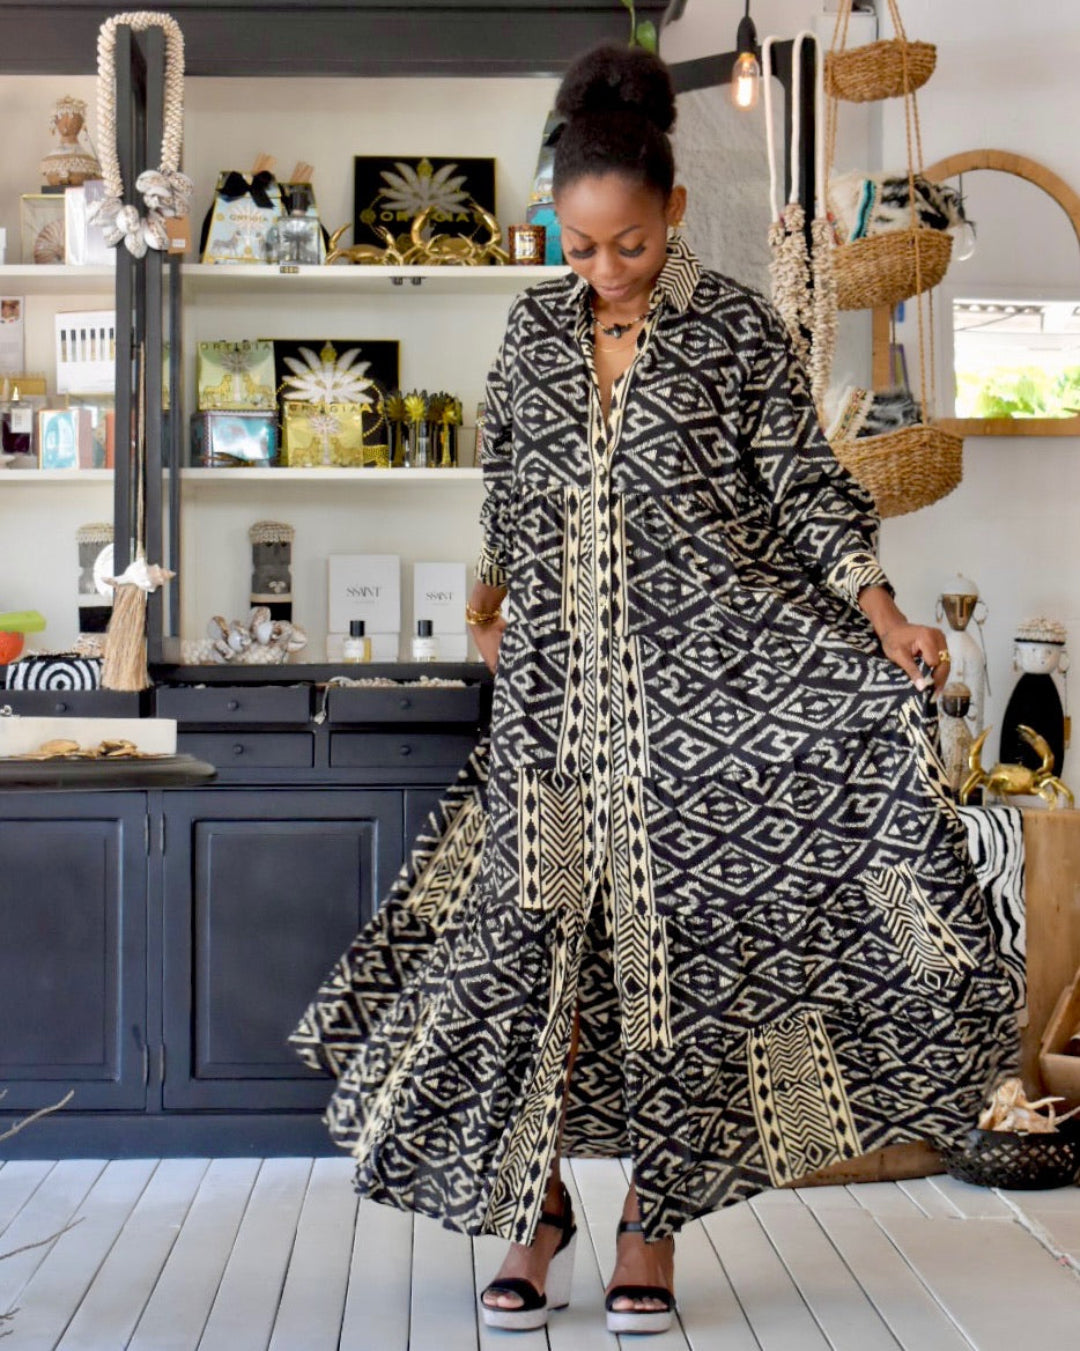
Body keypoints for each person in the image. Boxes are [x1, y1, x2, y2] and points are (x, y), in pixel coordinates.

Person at [292, 43, 1017, 1337]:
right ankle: (538, 1210)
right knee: (538, 964)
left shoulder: (737, 329)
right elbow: (508, 495)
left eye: (625, 244)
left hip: (714, 708)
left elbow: (803, 490)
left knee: (686, 973)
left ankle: (652, 1226)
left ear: (671, 213)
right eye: (579, 250)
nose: (604, 270)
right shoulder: (528, 333)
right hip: (559, 714)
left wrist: (883, 610)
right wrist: (487, 605)